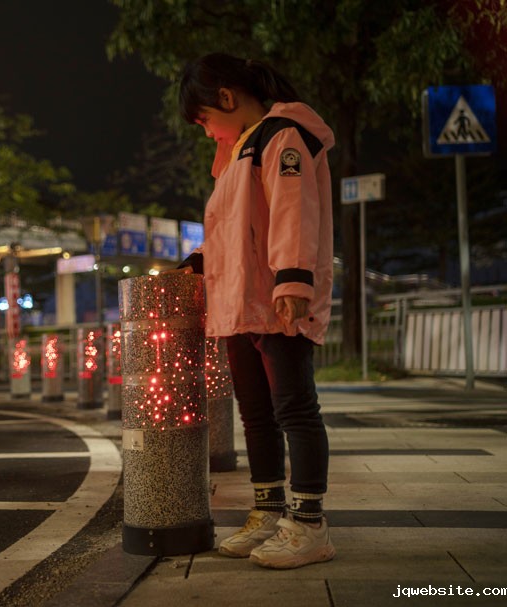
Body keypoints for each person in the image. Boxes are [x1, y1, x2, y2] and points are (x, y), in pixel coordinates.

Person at [175, 53, 336, 569]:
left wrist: (294, 277)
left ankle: (309, 524)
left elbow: (294, 209)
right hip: (240, 304)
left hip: (275, 299)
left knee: (294, 409)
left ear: (226, 97)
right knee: (257, 415)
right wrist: (196, 264)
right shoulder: (237, 153)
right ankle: (268, 511)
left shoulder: (282, 135)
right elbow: (230, 231)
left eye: (204, 119)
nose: (206, 132)